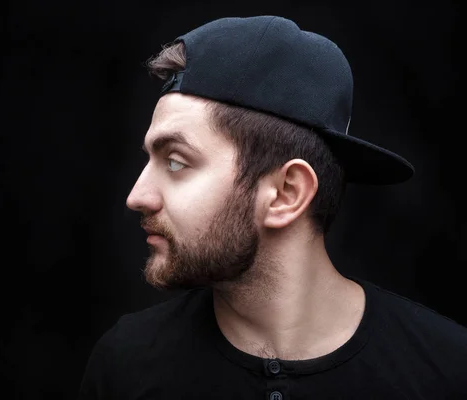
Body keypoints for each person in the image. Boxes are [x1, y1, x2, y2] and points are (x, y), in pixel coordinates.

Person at [77, 15, 467, 399]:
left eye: (176, 162)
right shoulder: (125, 365)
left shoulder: (447, 370)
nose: (137, 196)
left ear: (286, 194)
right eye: (149, 160)